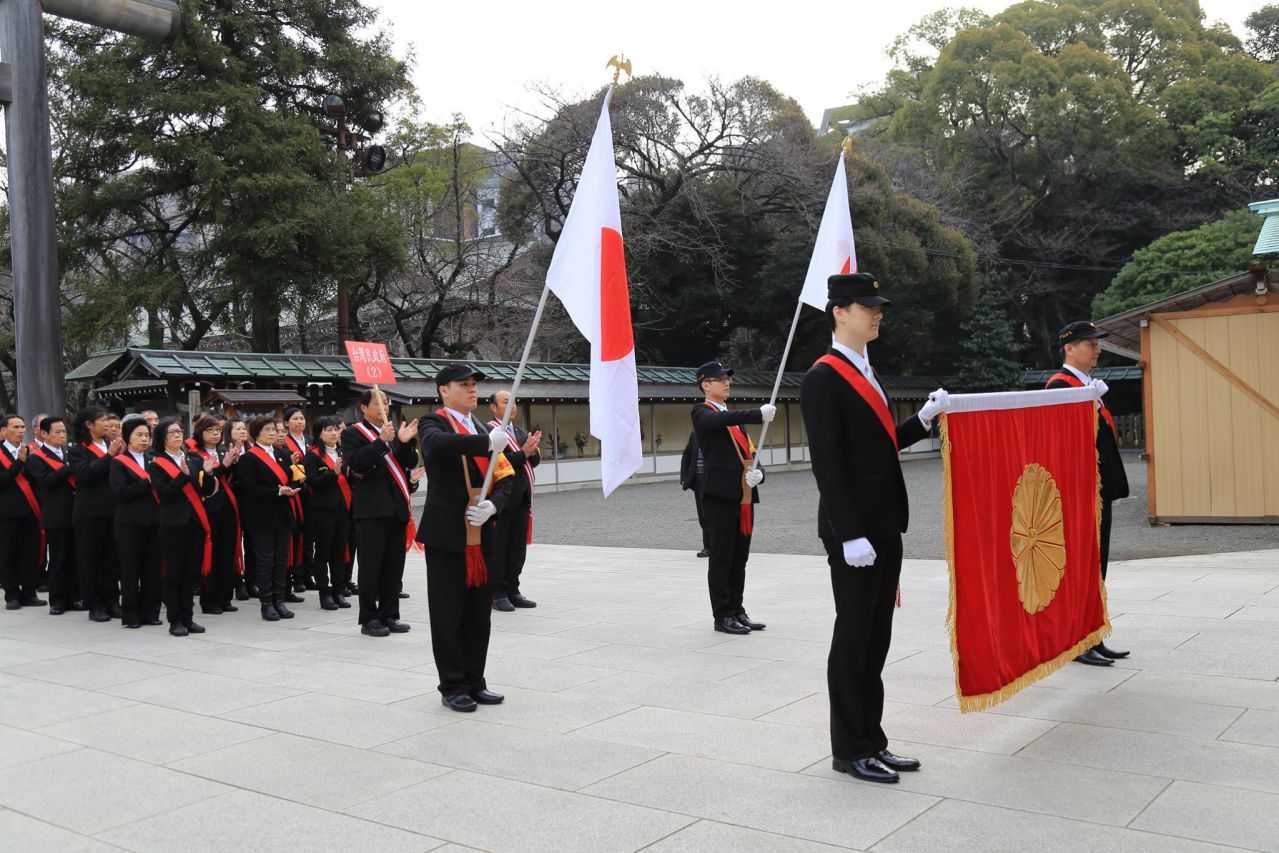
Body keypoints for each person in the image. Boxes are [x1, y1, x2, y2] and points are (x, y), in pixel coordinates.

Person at [800, 271, 949, 785]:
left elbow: (878, 447)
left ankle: (873, 739)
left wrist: (923, 419)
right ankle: (849, 749)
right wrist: (848, 533)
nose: (877, 313)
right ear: (839, 312)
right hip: (856, 531)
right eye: (867, 306)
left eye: (878, 306)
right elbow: (828, 463)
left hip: (884, 523)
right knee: (853, 639)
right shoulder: (823, 377)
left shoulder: (866, 370)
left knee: (876, 639)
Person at [417, 364, 516, 712]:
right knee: (448, 612)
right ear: (444, 391)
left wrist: (494, 505)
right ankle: (452, 684)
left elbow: (506, 477)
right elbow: (438, 445)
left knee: (478, 614)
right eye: (464, 384)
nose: (472, 389)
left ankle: (476, 680)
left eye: (474, 384)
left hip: (481, 530)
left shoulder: (483, 427)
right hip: (448, 534)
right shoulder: (434, 422)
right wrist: (486, 442)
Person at [1046, 321, 1132, 667]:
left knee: (1096, 566)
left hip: (1096, 491)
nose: (1097, 349)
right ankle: (1075, 641)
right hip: (1079, 492)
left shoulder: (1085, 386)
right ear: (1069, 349)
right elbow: (1061, 442)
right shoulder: (1060, 386)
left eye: (1096, 344)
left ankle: (1093, 635)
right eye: (1089, 344)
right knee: (1081, 568)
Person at [691, 362, 774, 635]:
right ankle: (722, 615)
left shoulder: (734, 420)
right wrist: (757, 414)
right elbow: (716, 421)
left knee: (740, 559)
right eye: (720, 379)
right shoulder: (702, 412)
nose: (726, 383)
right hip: (720, 497)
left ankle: (737, 609)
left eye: (727, 379)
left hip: (743, 496)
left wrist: (760, 473)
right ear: (705, 384)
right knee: (722, 559)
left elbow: (751, 452)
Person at [342, 389, 420, 637]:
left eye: (385, 402)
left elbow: (409, 463)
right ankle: (369, 618)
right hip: (371, 510)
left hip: (396, 509)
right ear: (364, 408)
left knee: (393, 567)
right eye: (377, 402)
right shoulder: (353, 433)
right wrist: (380, 442)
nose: (383, 406)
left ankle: (389, 614)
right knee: (370, 567)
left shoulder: (393, 431)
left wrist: (404, 442)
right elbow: (358, 464)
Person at [150, 417, 219, 637]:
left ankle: (188, 618)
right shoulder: (156, 463)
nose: (178, 435)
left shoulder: (193, 459)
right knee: (174, 574)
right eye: (172, 432)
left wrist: (209, 474)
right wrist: (182, 476)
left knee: (190, 573)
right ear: (162, 437)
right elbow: (164, 494)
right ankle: (175, 620)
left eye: (179, 431)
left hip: (194, 523)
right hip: (173, 524)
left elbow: (205, 491)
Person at [237, 416, 303, 622]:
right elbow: (251, 489)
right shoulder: (249, 458)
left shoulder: (283, 454)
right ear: (256, 433)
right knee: (265, 560)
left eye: (274, 429)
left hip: (283, 514)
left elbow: (294, 479)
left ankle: (279, 600)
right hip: (262, 516)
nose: (272, 433)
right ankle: (266, 603)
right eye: (267, 430)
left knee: (281, 559)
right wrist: (278, 491)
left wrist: (291, 488)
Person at [485, 390, 542, 612]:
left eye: (514, 402)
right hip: (500, 500)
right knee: (500, 547)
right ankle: (497, 592)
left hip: (522, 498)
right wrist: (523, 453)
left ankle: (513, 588)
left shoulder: (520, 431)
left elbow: (532, 460)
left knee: (517, 548)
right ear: (493, 407)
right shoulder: (490, 431)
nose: (513, 406)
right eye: (506, 402)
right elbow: (496, 461)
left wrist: (532, 450)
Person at [69, 406, 125, 622]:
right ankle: (95, 604)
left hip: (113, 511)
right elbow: (84, 474)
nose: (107, 423)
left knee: (112, 559)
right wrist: (109, 457)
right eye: (102, 420)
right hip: (89, 513)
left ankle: (112, 601)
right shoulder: (78, 450)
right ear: (89, 425)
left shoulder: (112, 444)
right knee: (90, 559)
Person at [111, 416, 162, 628]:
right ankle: (131, 615)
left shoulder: (154, 459)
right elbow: (120, 492)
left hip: (154, 521)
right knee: (130, 570)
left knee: (153, 569)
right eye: (139, 435)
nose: (144, 439)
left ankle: (151, 612)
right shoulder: (119, 462)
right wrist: (146, 482)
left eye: (147, 435)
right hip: (129, 523)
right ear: (127, 438)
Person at [27, 417, 81, 615]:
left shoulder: (68, 453)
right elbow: (45, 482)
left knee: (75, 558)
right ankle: (57, 600)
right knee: (59, 559)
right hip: (56, 515)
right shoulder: (36, 458)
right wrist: (68, 468)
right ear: (44, 434)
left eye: (64, 431)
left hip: (76, 512)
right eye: (57, 432)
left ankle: (73, 597)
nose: (62, 435)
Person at [190, 414, 243, 615]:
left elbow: (232, 477)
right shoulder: (194, 455)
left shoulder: (223, 451)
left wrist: (234, 462)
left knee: (227, 552)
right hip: (209, 508)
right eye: (210, 430)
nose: (215, 434)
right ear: (200, 432)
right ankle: (209, 599)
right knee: (212, 554)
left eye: (218, 430)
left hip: (227, 506)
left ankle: (225, 596)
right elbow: (203, 482)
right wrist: (224, 465)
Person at [305, 415, 353, 610]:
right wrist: (332, 473)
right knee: (323, 553)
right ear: (319, 434)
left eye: (336, 429)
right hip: (323, 511)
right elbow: (313, 483)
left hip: (343, 510)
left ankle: (338, 591)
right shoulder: (313, 455)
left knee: (339, 552)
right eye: (329, 430)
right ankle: (325, 594)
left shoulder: (343, 452)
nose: (334, 433)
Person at [0, 414, 44, 610]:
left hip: (30, 511)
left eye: (22, 427)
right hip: (6, 513)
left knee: (30, 553)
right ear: (4, 430)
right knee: (7, 554)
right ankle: (11, 595)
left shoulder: (29, 451)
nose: (20, 431)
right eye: (15, 427)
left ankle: (29, 592)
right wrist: (19, 462)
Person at [282, 407, 315, 593]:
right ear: (286, 423)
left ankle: (308, 573)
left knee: (309, 535)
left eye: (302, 418)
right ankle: (297, 575)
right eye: (295, 419)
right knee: (296, 535)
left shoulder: (310, 441)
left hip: (311, 492)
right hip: (294, 493)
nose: (300, 421)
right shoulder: (284, 443)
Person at [224, 417, 257, 601]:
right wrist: (233, 462)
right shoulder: (224, 451)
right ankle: (237, 582)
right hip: (233, 501)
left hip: (251, 502)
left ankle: (252, 581)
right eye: (238, 429)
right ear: (229, 433)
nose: (243, 431)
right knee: (235, 543)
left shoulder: (253, 451)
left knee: (252, 542)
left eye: (244, 428)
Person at [679, 430, 711, 558]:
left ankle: (717, 546)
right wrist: (684, 476)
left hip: (714, 479)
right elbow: (687, 454)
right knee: (703, 515)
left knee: (714, 514)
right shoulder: (695, 434)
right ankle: (707, 546)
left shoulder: (718, 432)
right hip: (699, 480)